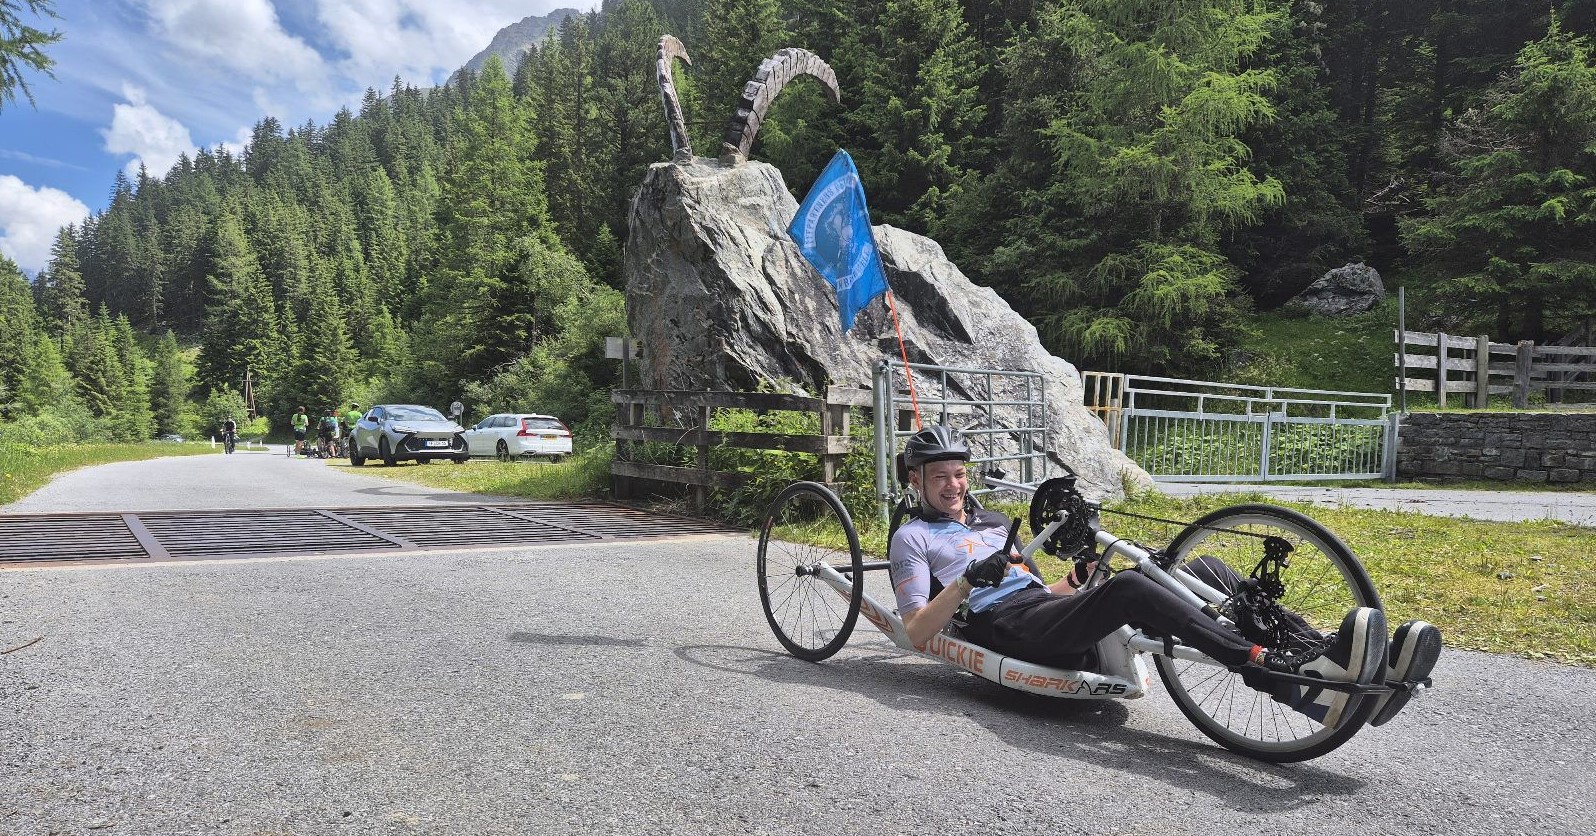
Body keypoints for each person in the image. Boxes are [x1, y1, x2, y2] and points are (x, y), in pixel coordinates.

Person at [888, 425, 1442, 727]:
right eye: (940, 477)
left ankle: (1334, 660)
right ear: (916, 481)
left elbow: (1042, 590)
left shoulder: (991, 522)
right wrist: (966, 582)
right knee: (1131, 588)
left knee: (1200, 569)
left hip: (1041, 611)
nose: (954, 486)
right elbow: (914, 631)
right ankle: (1275, 671)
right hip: (1005, 627)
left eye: (959, 474)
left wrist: (1076, 580)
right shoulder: (912, 538)